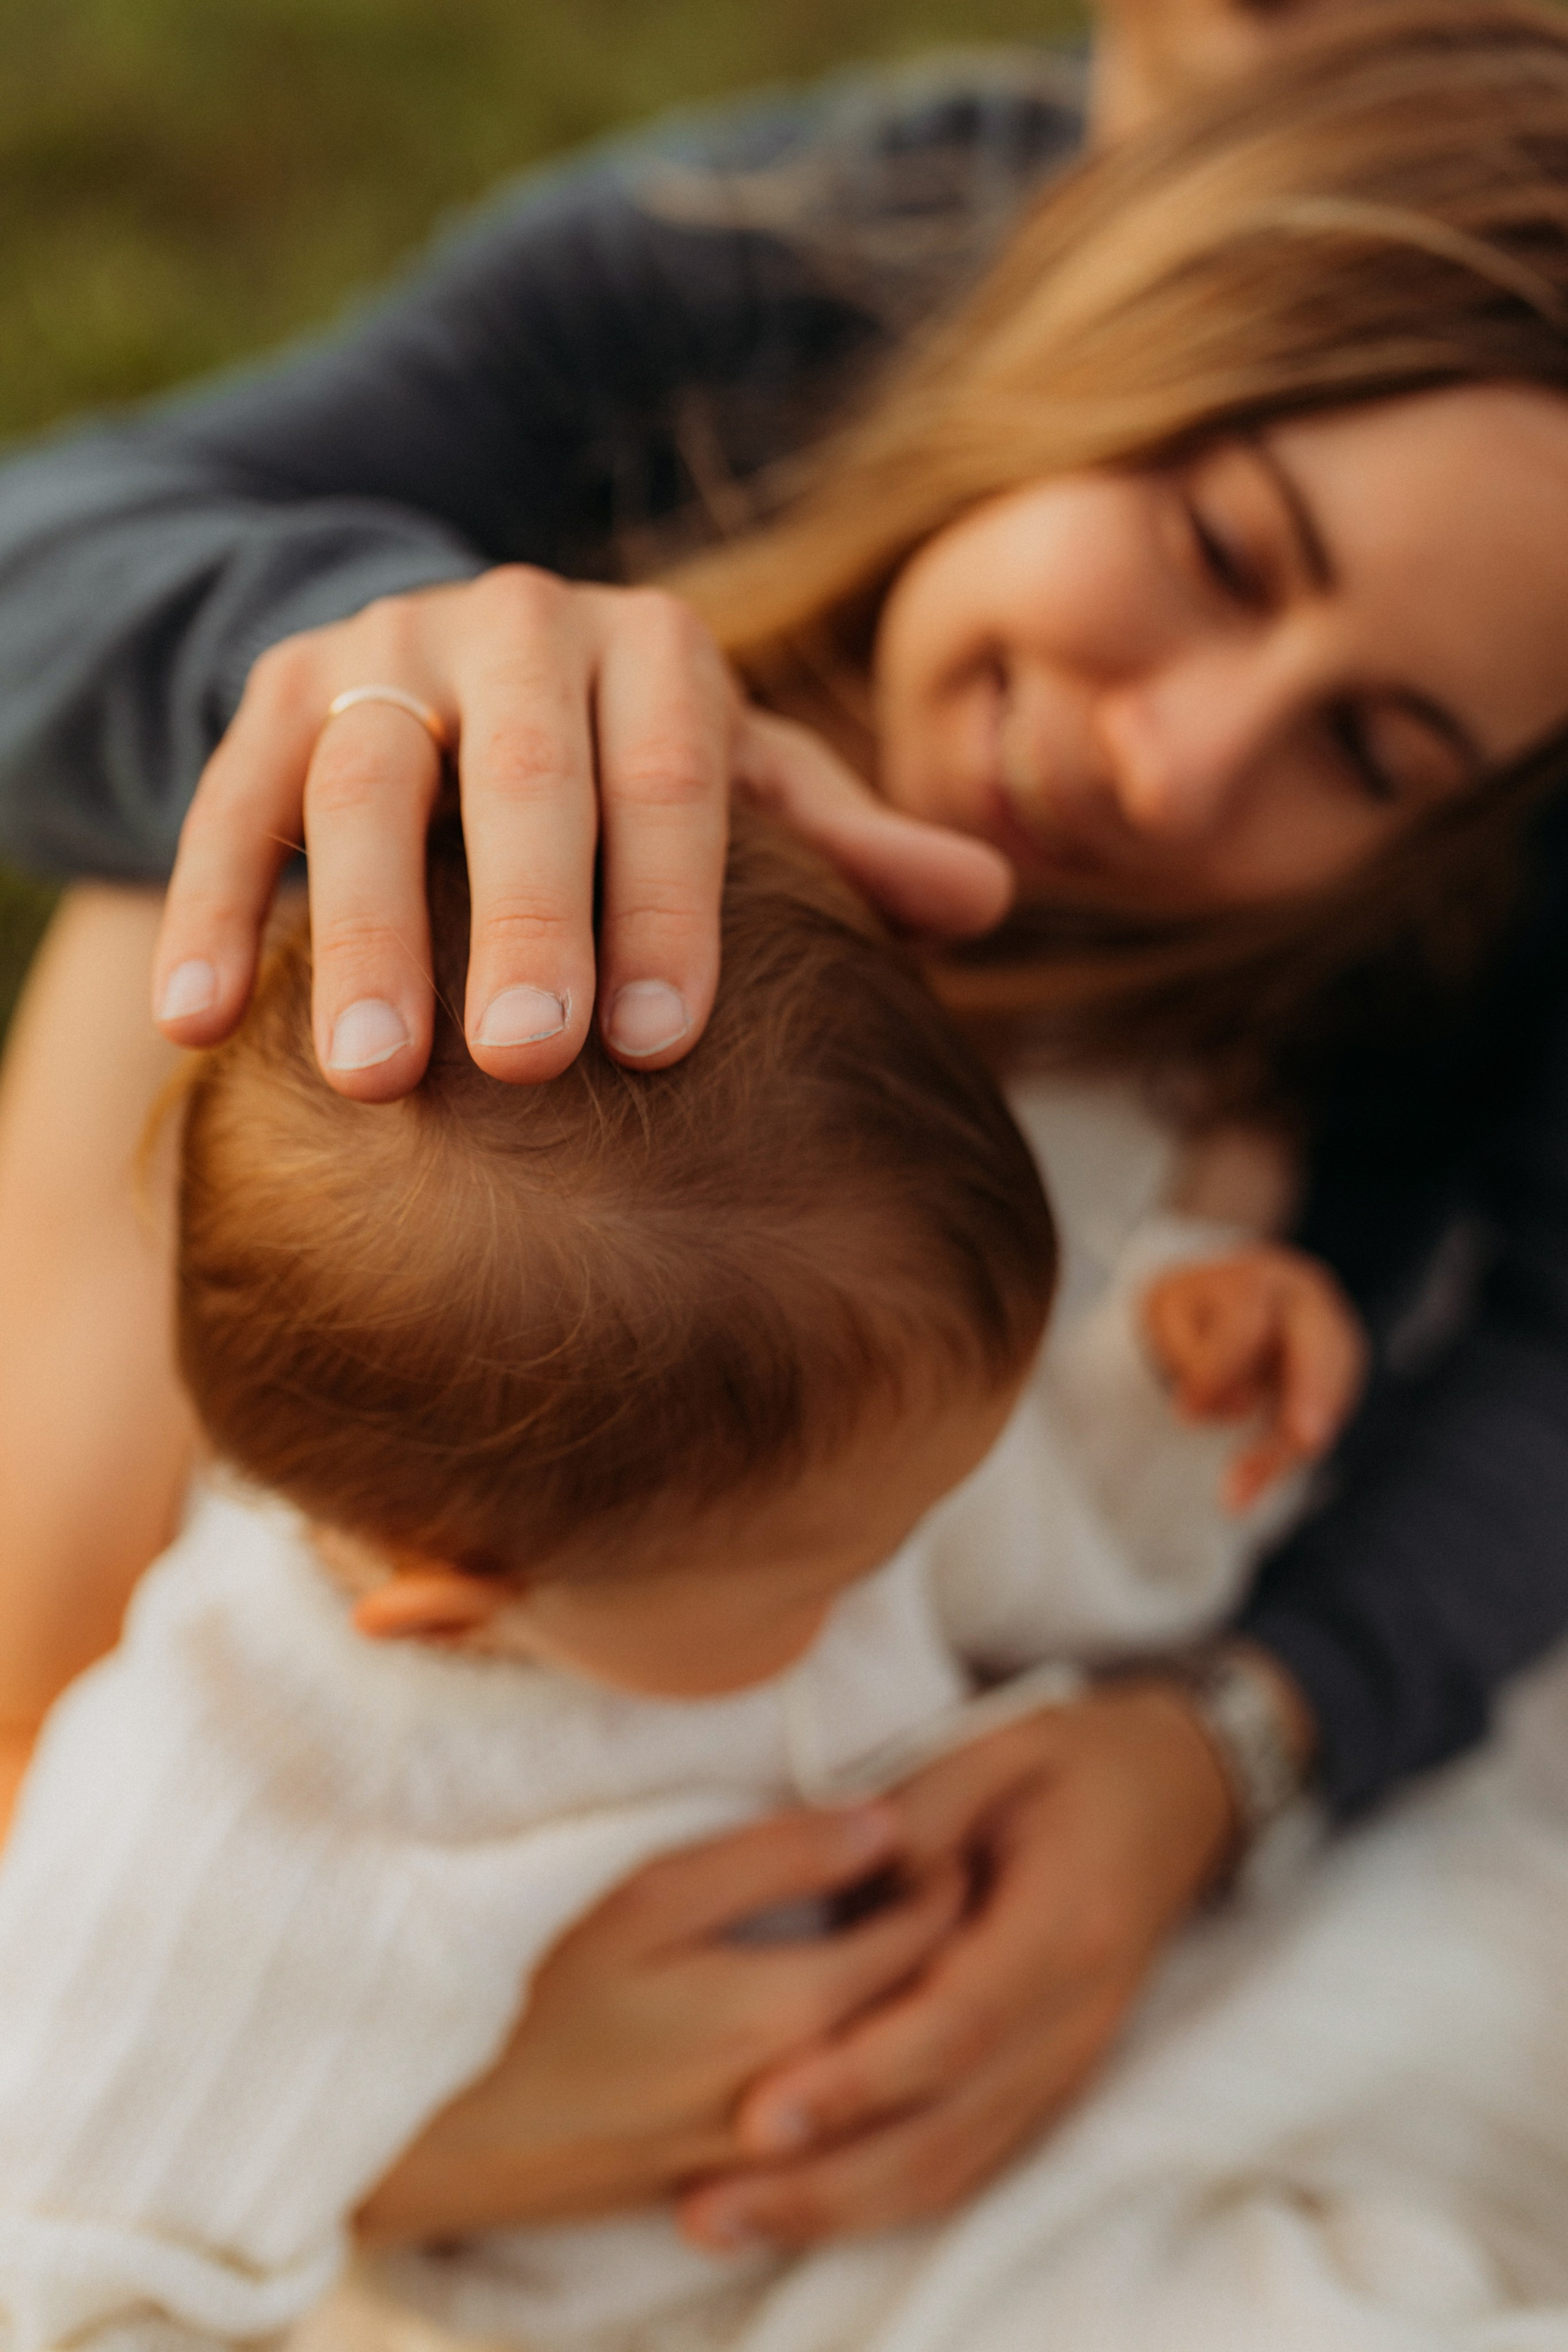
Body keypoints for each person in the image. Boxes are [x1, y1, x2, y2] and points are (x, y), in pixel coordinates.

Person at [2, 0, 1568, 2262]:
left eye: (1383, 756)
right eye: (1220, 547)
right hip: (323, 2059)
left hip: (986, 2051)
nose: (1181, 765)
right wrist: (361, 671)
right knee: (197, 876)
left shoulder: (1255, 1065)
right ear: (1067, 312)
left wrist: (1228, 1740)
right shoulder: (799, 256)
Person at [0, 811, 1363, 2351]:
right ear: (461, 1607)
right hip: (636, 2296)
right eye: (849, 1560)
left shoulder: (788, 1477)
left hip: (989, 2120)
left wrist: (1164, 1403)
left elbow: (1061, 1560)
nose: (899, 1568)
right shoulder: (223, 1792)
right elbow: (72, 2235)